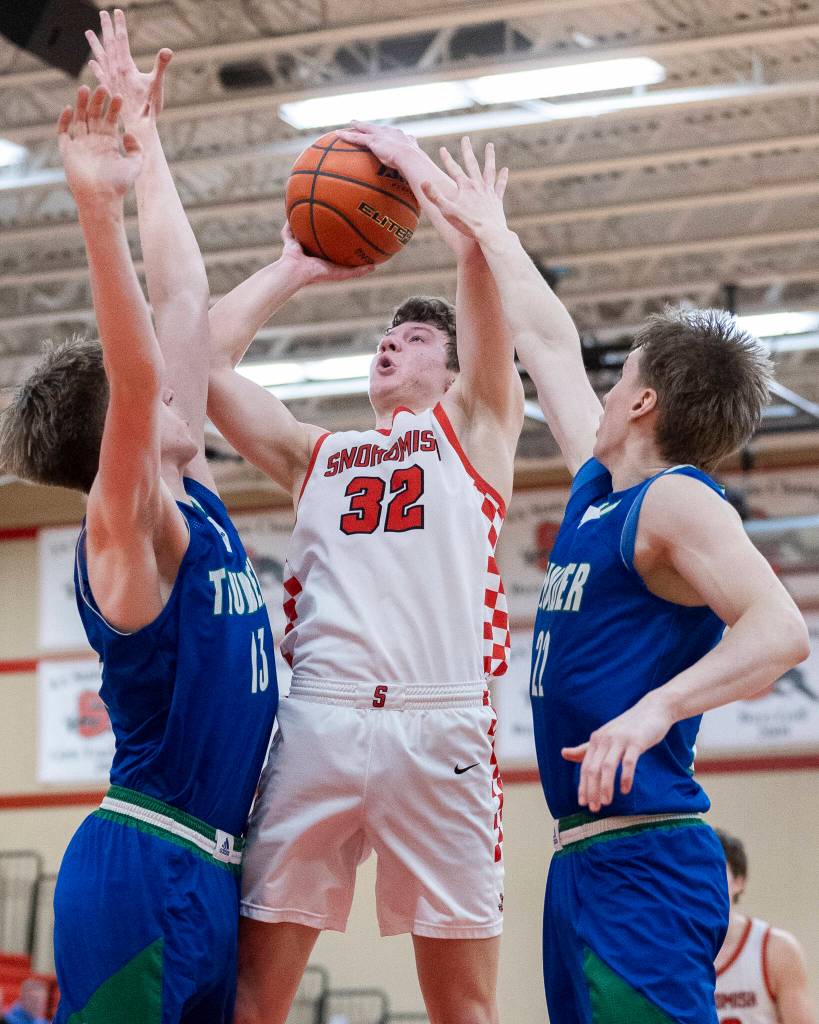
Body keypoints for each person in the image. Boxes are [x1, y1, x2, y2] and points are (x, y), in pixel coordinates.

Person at [421, 145, 810, 1023]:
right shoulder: (607, 495)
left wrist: (655, 708)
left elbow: (780, 629)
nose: (599, 392)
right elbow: (549, 341)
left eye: (619, 379)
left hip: (645, 858)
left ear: (640, 405)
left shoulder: (672, 499)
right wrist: (488, 235)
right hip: (585, 857)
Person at [197, 119, 524, 1021]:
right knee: (250, 996)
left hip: (440, 723)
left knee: (463, 1007)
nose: (393, 342)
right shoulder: (318, 455)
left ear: (456, 369)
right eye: (387, 333)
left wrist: (418, 174)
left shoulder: (477, 427)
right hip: (321, 722)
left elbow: (480, 267)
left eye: (417, 338)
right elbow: (202, 362)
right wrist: (297, 265)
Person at [0, 57, 278, 1024]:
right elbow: (132, 369)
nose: (176, 381)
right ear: (118, 433)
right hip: (142, 869)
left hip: (205, 870)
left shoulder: (190, 493)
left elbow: (183, 298)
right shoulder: (127, 533)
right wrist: (96, 212)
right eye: (157, 385)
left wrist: (147, 144)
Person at [715, 829, 816, 1024]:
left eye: (714, 871)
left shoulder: (776, 949)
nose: (705, 882)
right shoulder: (669, 953)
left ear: (738, 881)